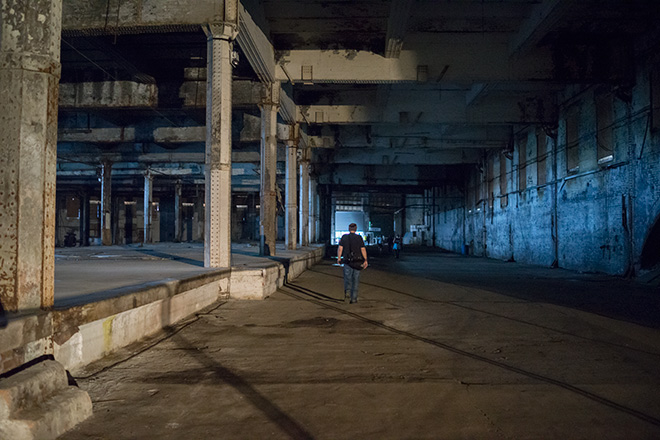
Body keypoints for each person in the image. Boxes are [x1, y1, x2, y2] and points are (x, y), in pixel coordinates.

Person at [337, 223, 368, 303]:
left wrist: (339, 258)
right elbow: (363, 249)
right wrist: (365, 260)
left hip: (347, 261)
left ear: (349, 229)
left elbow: (340, 248)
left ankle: (347, 292)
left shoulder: (344, 237)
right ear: (356, 229)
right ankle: (354, 298)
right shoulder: (359, 238)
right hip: (357, 262)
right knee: (356, 280)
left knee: (348, 278)